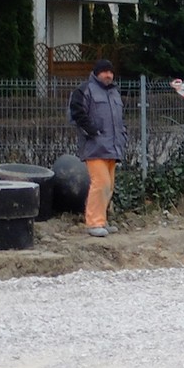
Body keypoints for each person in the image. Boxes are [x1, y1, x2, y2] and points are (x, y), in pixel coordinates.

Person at [68, 59, 127, 237]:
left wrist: (123, 136)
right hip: (95, 147)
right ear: (96, 73)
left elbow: (119, 120)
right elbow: (76, 113)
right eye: (104, 72)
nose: (108, 75)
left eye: (110, 72)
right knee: (101, 183)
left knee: (109, 186)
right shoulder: (84, 89)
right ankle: (93, 222)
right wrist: (92, 131)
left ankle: (101, 220)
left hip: (112, 147)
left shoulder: (114, 93)